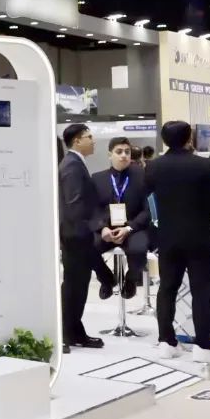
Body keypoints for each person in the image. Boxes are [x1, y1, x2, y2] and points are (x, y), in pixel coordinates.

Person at [146, 121, 210, 362]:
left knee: (167, 289)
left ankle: (166, 341)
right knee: (202, 292)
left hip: (168, 237)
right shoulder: (203, 165)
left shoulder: (154, 166)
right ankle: (203, 346)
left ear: (164, 140)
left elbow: (147, 200)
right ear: (189, 137)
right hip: (200, 237)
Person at [59, 123, 104, 351]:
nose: (93, 141)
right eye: (89, 137)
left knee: (79, 287)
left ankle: (75, 332)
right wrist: (88, 229)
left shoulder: (76, 163)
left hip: (77, 234)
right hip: (75, 235)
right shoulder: (72, 166)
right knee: (73, 287)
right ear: (77, 141)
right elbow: (74, 204)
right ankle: (65, 334)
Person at [91, 138, 150, 301]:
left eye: (127, 152)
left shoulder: (143, 176)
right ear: (110, 155)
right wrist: (102, 228)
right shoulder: (97, 178)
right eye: (119, 152)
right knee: (85, 247)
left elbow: (149, 209)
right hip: (107, 229)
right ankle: (106, 279)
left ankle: (131, 279)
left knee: (139, 250)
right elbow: (92, 208)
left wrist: (129, 228)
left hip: (134, 228)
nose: (124, 155)